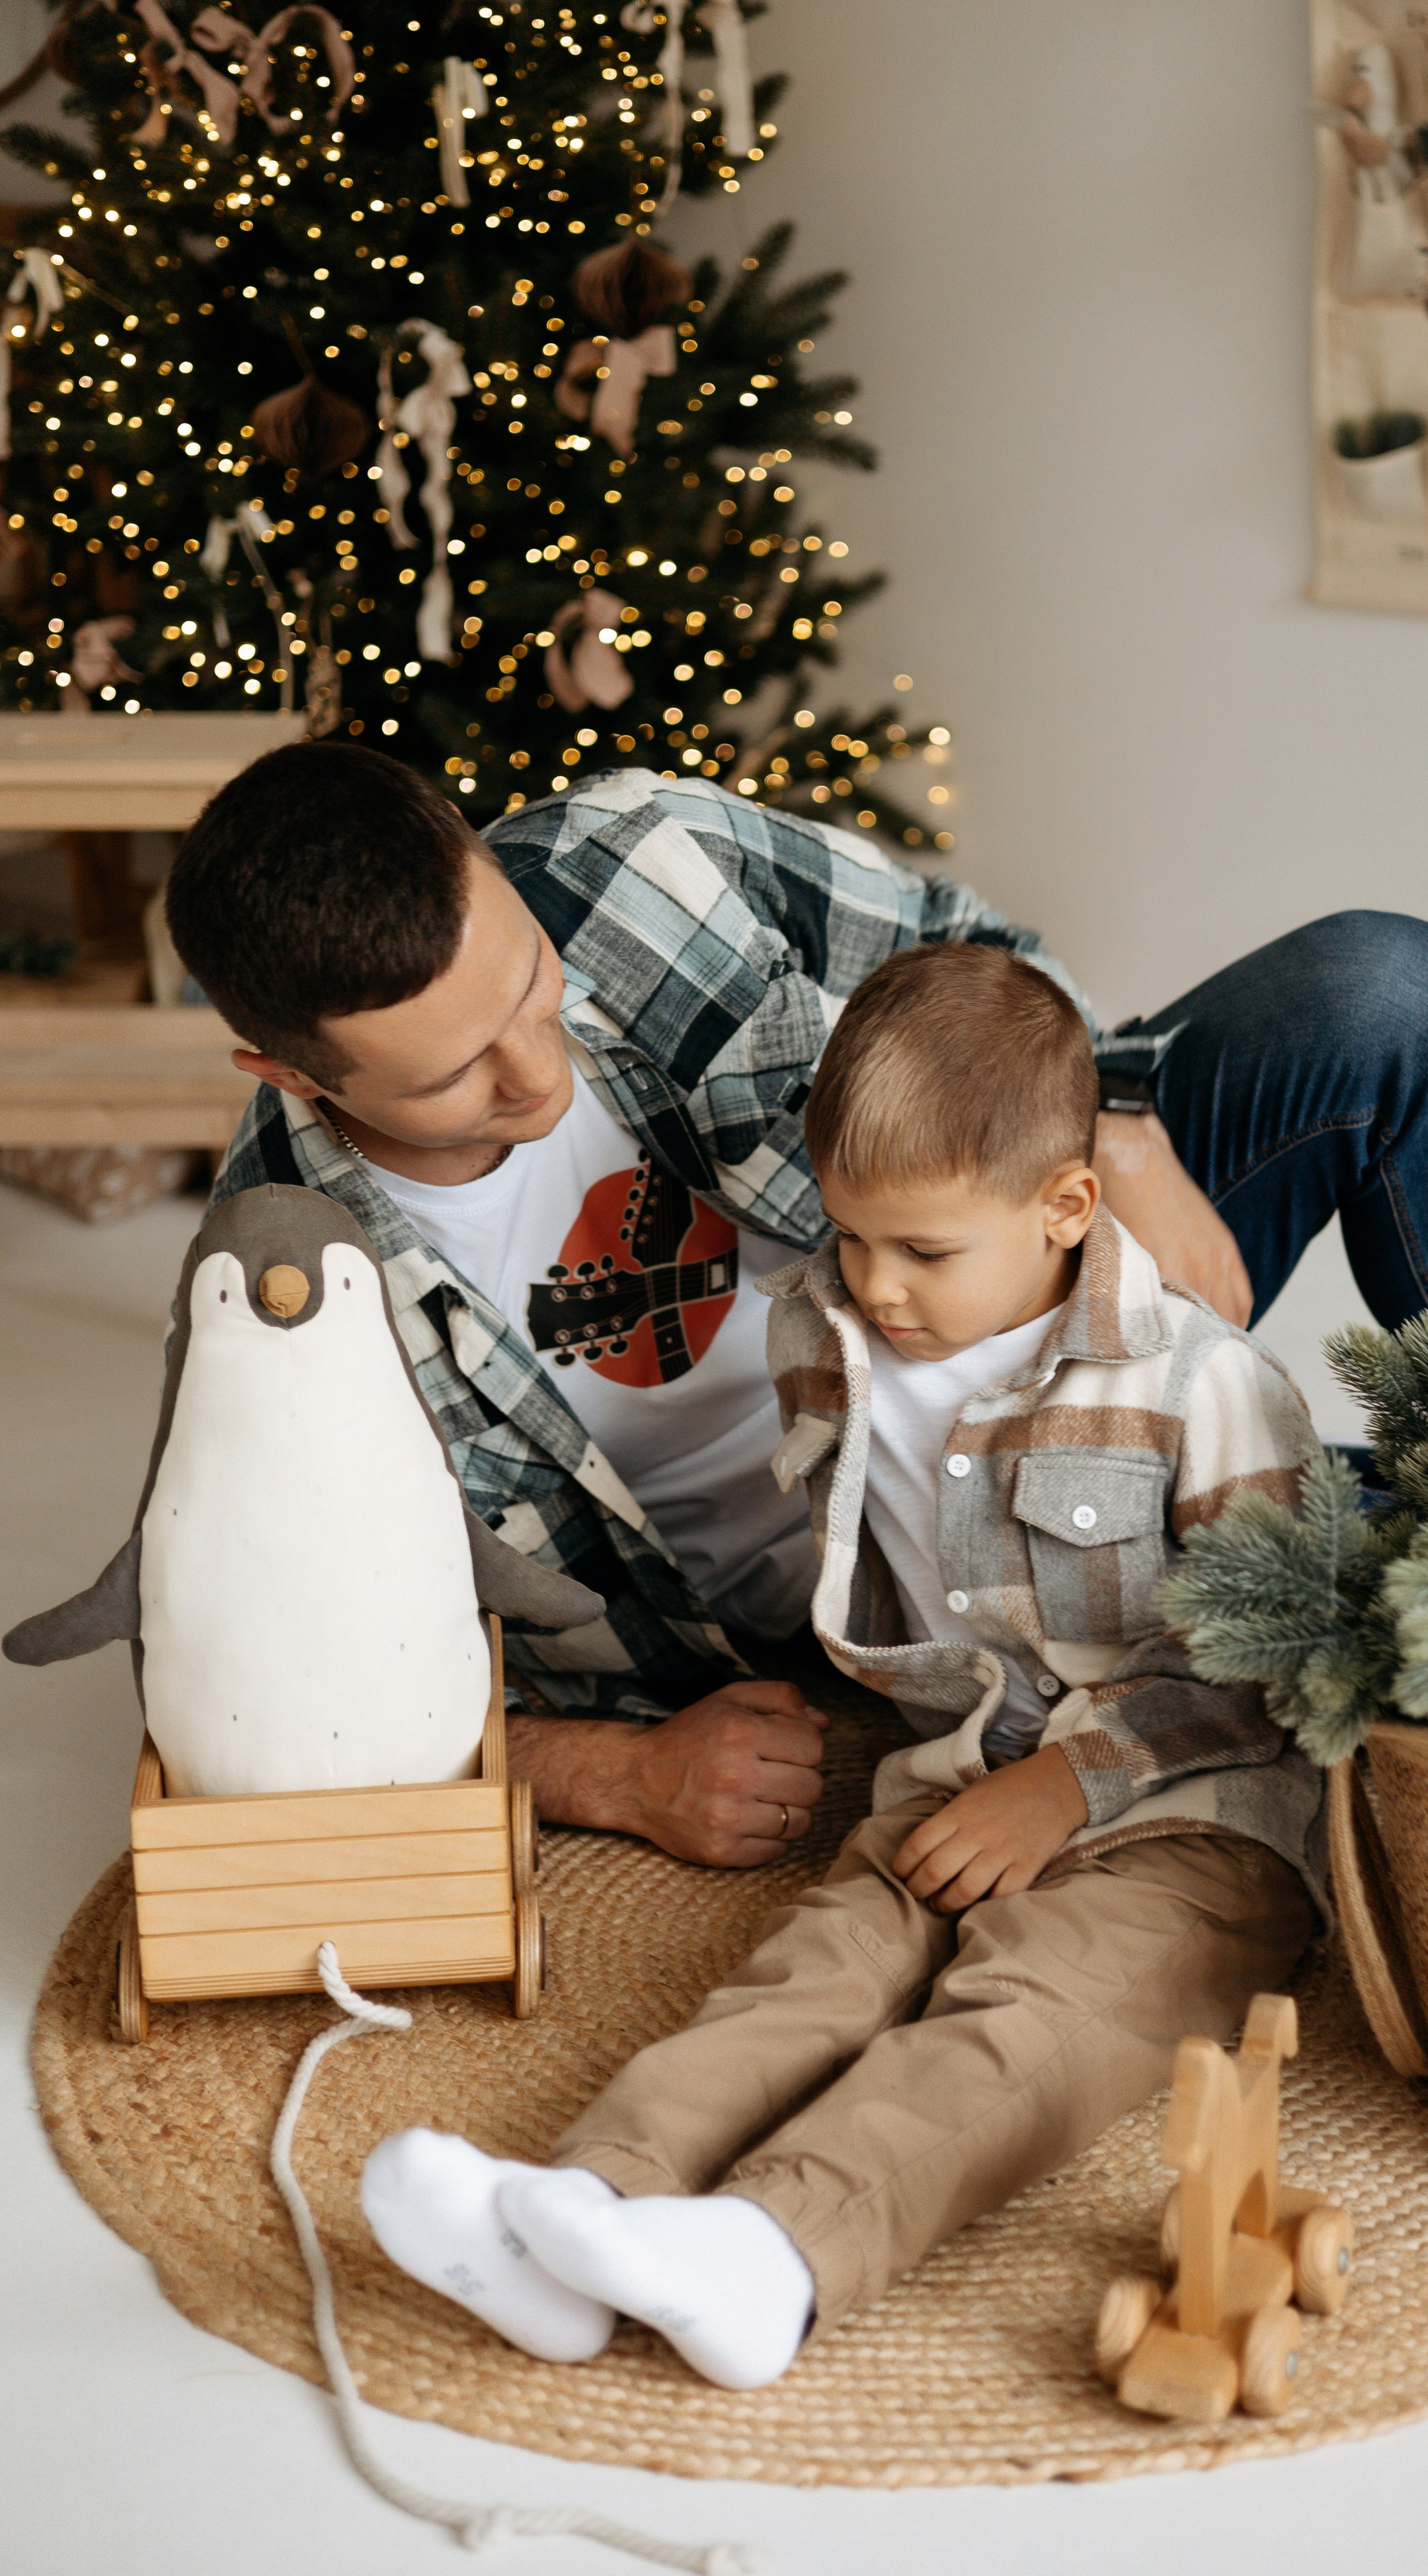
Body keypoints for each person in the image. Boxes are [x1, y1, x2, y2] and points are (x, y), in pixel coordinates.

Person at [163, 742, 1428, 1866]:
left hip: (1046, 1328)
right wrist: (619, 1773)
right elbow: (274, 1691)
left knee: (1397, 990)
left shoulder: (634, 861)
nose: (540, 1077)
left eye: (533, 984)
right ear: (287, 1073)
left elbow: (969, 953)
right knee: (1355, 1564)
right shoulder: (282, 1288)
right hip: (885, 1597)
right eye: (454, 1077)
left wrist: (1120, 1130)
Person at [359, 943, 1325, 2384]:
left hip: (1193, 1813)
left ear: (1067, 1206)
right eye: (851, 1237)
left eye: (924, 1253)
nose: (874, 1285)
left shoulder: (1204, 1389)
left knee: (1029, 2012)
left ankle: (773, 2255)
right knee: (816, 1968)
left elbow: (1274, 1667)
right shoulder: (822, 1326)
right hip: (955, 1762)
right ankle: (581, 2209)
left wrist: (1067, 1786)